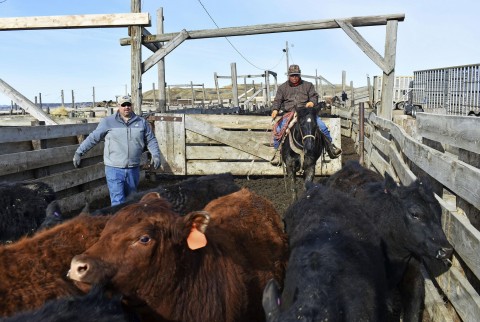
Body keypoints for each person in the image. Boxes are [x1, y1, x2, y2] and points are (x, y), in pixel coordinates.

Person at [73, 95, 162, 206]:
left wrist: (156, 155)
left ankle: (129, 223)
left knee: (131, 201)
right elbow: (93, 138)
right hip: (114, 168)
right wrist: (79, 152)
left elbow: (151, 139)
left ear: (132, 105)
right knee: (117, 201)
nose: (126, 107)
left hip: (133, 168)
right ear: (118, 106)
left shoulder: (141, 122)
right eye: (123, 105)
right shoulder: (108, 122)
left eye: (128, 104)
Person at [271, 64, 342, 158]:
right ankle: (277, 153)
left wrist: (312, 102)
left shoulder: (308, 85)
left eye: (296, 75)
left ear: (299, 74)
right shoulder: (282, 88)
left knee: (322, 126)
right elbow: (278, 100)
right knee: (279, 129)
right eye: (292, 75)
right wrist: (275, 109)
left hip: (306, 113)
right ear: (288, 75)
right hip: (289, 113)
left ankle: (330, 147)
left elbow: (314, 96)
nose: (294, 77)